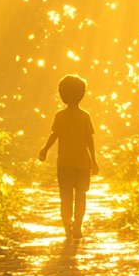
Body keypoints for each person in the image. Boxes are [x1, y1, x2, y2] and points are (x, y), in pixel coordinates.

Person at [38, 74, 99, 240]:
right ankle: (77, 225)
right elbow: (89, 140)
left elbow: (54, 135)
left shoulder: (60, 115)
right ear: (82, 94)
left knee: (65, 197)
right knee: (81, 195)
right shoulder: (85, 116)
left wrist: (45, 149)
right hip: (83, 163)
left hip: (65, 163)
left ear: (62, 94)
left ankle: (67, 228)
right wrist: (94, 161)